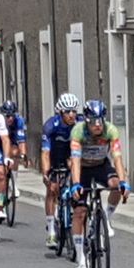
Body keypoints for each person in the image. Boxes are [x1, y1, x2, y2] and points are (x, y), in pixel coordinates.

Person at [68, 100, 130, 268]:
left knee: (116, 185)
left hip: (101, 165)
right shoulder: (78, 131)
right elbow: (75, 160)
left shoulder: (110, 130)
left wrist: (124, 182)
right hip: (84, 168)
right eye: (93, 121)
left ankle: (106, 217)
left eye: (100, 120)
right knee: (80, 211)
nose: (97, 125)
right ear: (86, 120)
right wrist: (76, 184)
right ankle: (81, 258)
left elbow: (117, 158)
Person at [40, 93, 83, 248]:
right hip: (54, 155)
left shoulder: (80, 123)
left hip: (71, 154)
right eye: (67, 112)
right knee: (52, 190)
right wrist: (46, 174)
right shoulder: (50, 126)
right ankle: (51, 230)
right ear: (60, 113)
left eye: (74, 111)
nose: (72, 115)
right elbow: (45, 153)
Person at [0, 100, 28, 199]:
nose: (10, 118)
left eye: (12, 115)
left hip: (13, 140)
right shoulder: (0, 121)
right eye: (7, 116)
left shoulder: (19, 121)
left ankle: (14, 184)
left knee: (16, 153)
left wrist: (23, 155)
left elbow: (22, 141)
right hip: (0, 141)